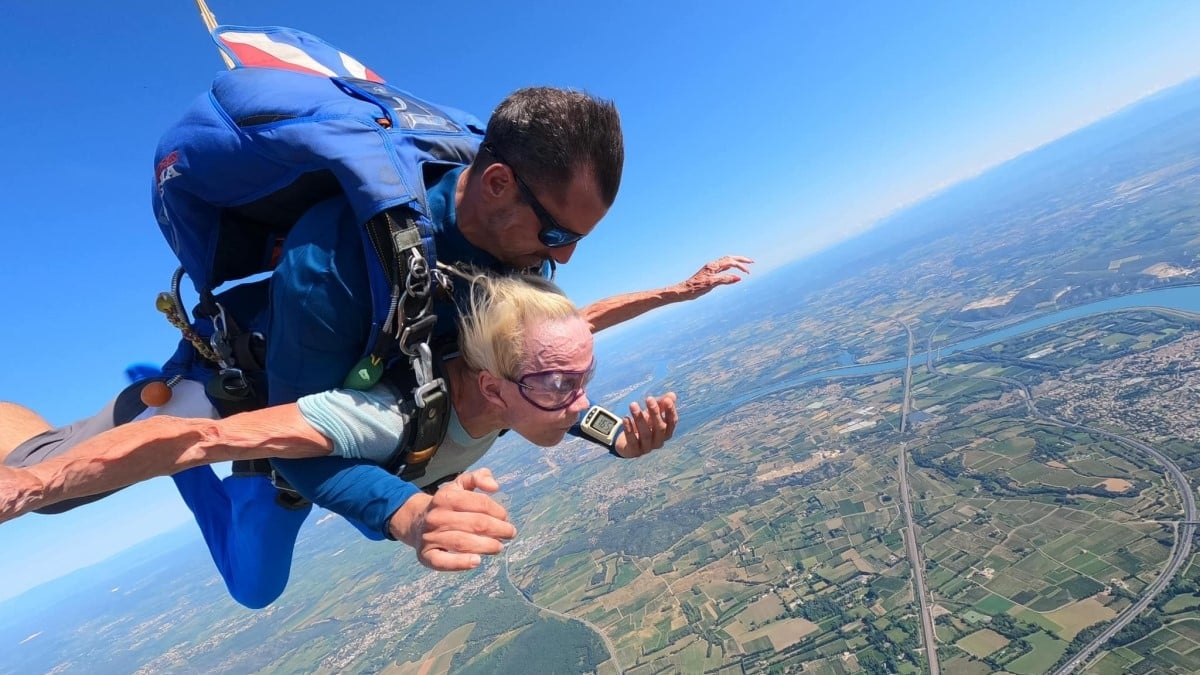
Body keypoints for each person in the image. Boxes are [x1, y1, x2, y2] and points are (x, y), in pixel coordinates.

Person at [1, 274, 678, 607]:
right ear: (495, 387)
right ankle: (148, 390)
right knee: (253, 585)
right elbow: (204, 437)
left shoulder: (510, 364)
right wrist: (38, 486)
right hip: (263, 457)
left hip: (354, 452)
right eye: (560, 384)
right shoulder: (377, 416)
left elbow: (585, 322)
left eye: (582, 378)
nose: (579, 398)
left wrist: (678, 293)